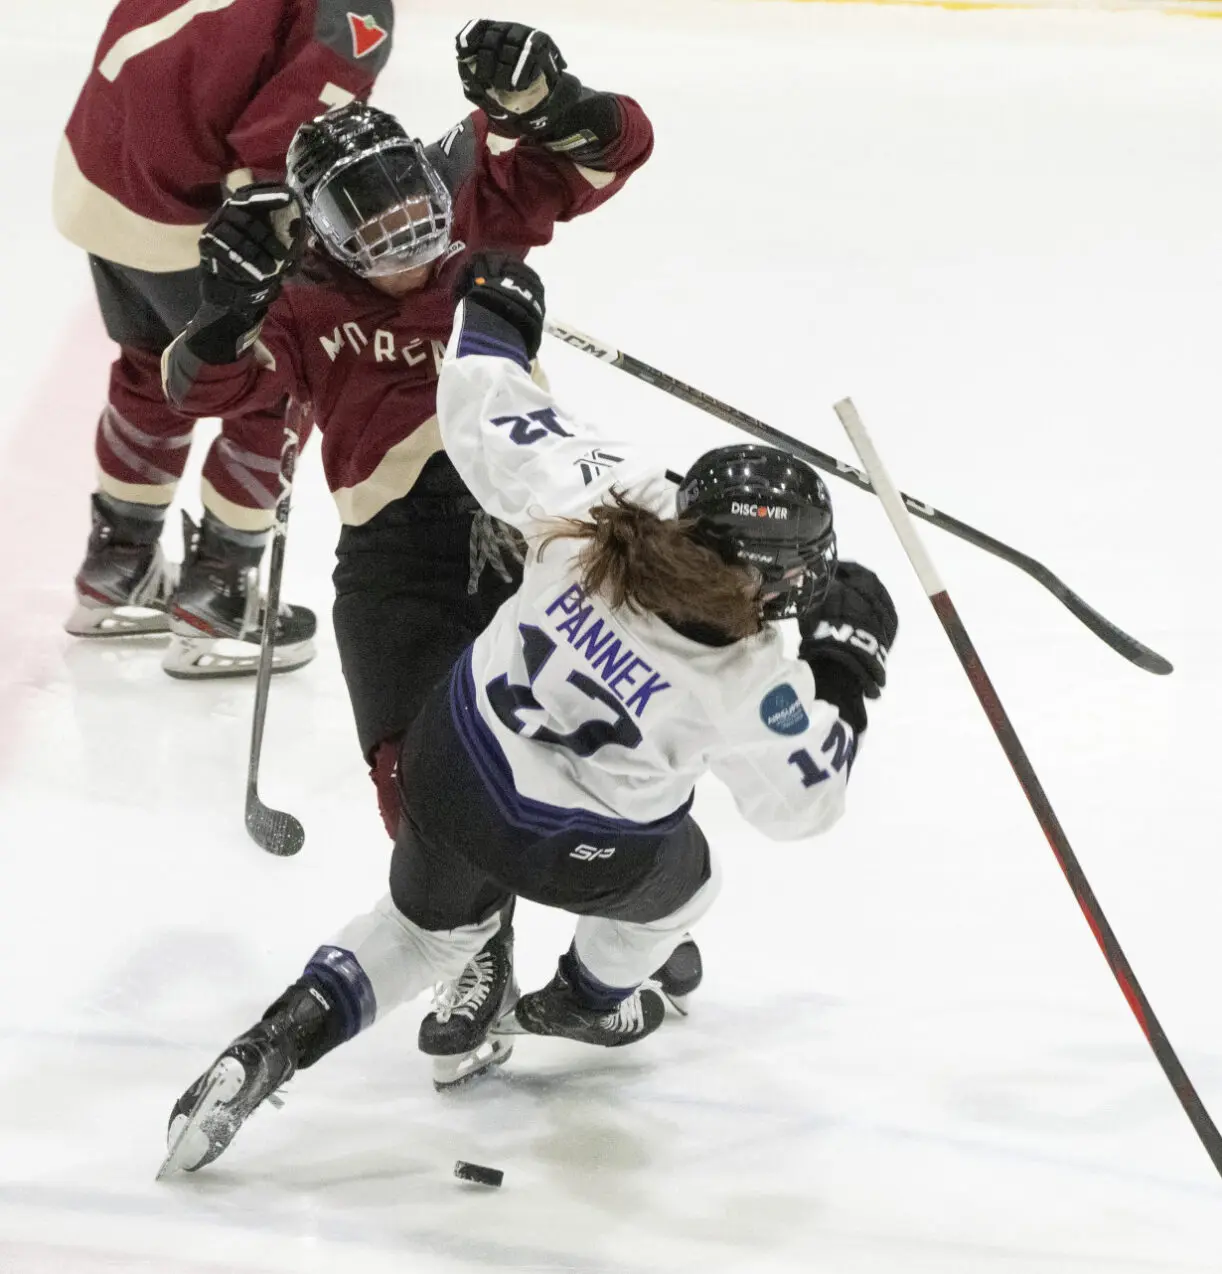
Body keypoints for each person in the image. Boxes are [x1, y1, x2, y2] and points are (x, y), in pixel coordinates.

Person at [157, 255, 899, 1177]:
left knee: (418, 932)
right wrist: (843, 666)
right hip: (575, 849)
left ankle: (268, 1044)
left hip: (453, 761)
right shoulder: (748, 675)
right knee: (691, 882)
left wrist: (495, 312)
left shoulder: (603, 499)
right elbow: (804, 805)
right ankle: (589, 1000)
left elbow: (479, 400)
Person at [159, 20, 664, 1078]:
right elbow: (196, 389)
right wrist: (223, 307)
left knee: (583, 744)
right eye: (373, 229)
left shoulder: (475, 197)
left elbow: (618, 146)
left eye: (412, 213)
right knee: (421, 775)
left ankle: (635, 912)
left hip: (531, 528)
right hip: (394, 555)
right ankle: (480, 941)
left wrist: (547, 102)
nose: (405, 242)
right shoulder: (296, 293)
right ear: (327, 236)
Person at [57, 0, 395, 676]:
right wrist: (274, 237)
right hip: (189, 216)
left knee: (152, 363)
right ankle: (220, 597)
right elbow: (286, 137)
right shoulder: (356, 9)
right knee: (268, 392)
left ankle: (116, 567)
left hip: (97, 177)